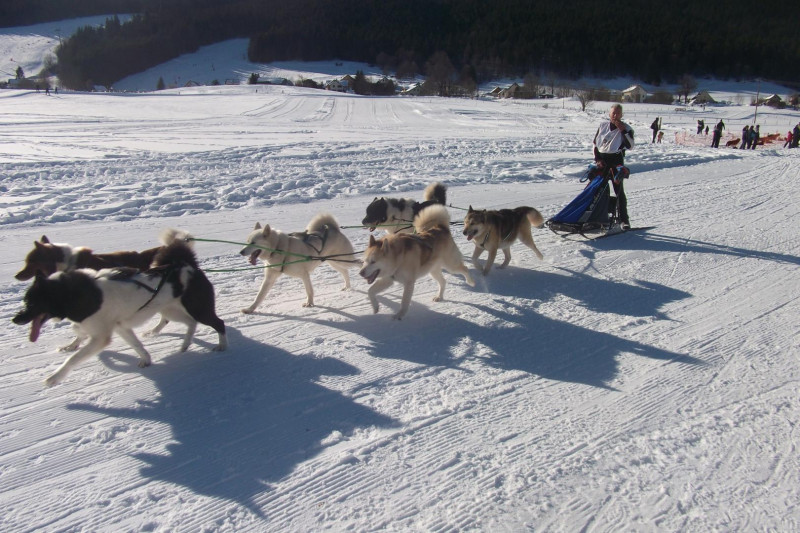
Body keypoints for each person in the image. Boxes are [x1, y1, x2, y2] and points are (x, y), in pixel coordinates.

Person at [593, 103, 634, 229]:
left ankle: (624, 220)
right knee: (598, 190)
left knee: (619, 191)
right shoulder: (602, 126)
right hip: (602, 161)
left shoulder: (627, 128)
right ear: (609, 114)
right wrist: (598, 159)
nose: (615, 116)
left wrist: (623, 131)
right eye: (613, 113)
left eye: (618, 113)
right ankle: (598, 217)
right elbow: (596, 145)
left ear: (621, 115)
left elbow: (630, 145)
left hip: (616, 161)